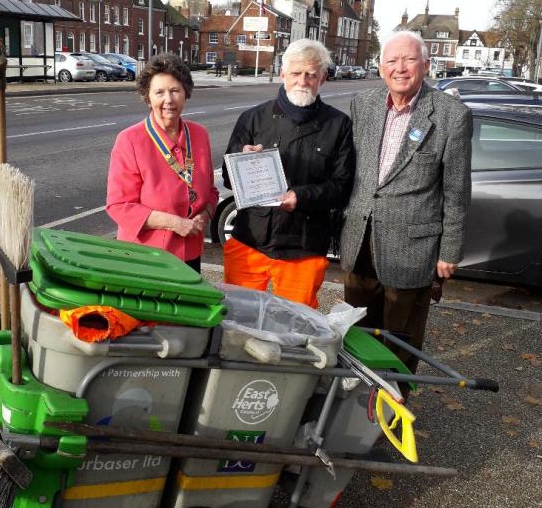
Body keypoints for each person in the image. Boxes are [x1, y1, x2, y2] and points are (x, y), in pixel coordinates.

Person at [339, 30, 472, 380]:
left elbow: (457, 191)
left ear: (425, 65)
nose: (400, 68)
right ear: (381, 67)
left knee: (401, 338)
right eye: (392, 60)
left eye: (409, 59)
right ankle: (352, 401)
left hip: (413, 248)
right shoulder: (363, 104)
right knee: (355, 331)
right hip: (360, 240)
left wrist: (450, 252)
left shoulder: (451, 115)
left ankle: (393, 404)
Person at [222, 39, 355, 308]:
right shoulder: (253, 118)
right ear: (283, 74)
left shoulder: (338, 125)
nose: (302, 81)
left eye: (311, 74)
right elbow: (227, 176)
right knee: (235, 317)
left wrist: (301, 197)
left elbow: (342, 187)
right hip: (250, 240)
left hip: (304, 248)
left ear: (323, 79)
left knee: (296, 327)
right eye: (296, 73)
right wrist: (242, 163)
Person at [106, 54, 218, 272]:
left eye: (175, 91)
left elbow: (211, 191)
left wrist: (205, 216)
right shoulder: (130, 140)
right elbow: (118, 206)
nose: (169, 99)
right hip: (145, 258)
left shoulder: (199, 134)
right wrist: (175, 223)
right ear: (148, 97)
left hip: (190, 255)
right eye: (159, 92)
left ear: (186, 93)